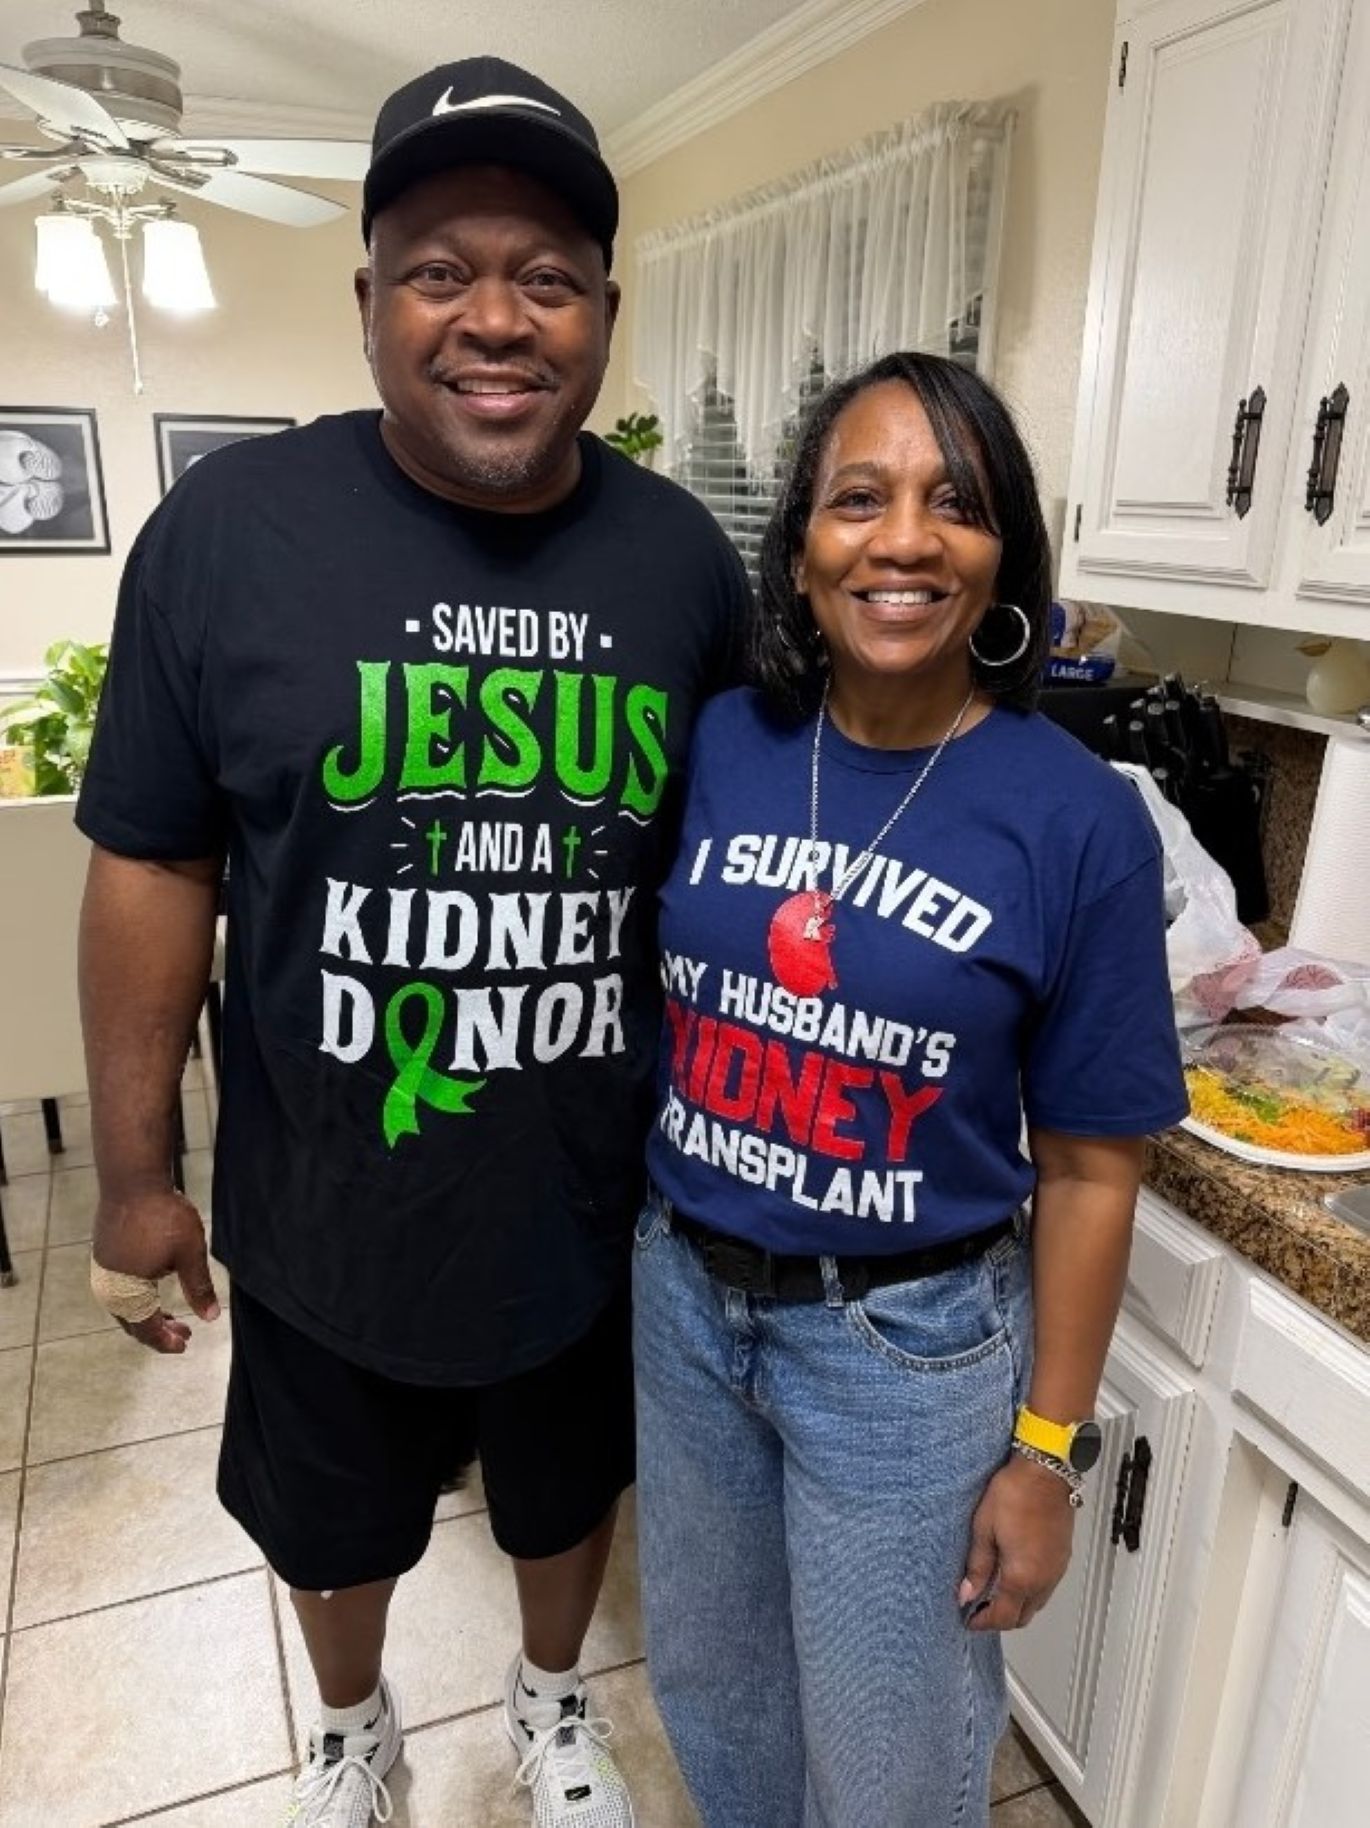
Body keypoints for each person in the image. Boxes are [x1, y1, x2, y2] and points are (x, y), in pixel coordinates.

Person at [76, 55, 747, 1828]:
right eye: (441, 271)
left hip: (591, 1197)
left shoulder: (683, 563)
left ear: (603, 312)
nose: (494, 319)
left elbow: (733, 875)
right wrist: (136, 1182)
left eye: (544, 276)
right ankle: (353, 1729)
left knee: (560, 1495)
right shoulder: (224, 538)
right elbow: (150, 864)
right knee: (331, 1516)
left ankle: (547, 1704)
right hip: (324, 1200)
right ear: (367, 301)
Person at [633, 352, 1189, 1827]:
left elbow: (1090, 1170)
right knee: (714, 1693)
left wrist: (1046, 1455)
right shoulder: (725, 747)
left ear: (1000, 552)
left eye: (952, 504)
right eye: (856, 500)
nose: (900, 540)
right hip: (684, 1302)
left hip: (906, 1350)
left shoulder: (1073, 820)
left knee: (885, 1767)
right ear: (801, 552)